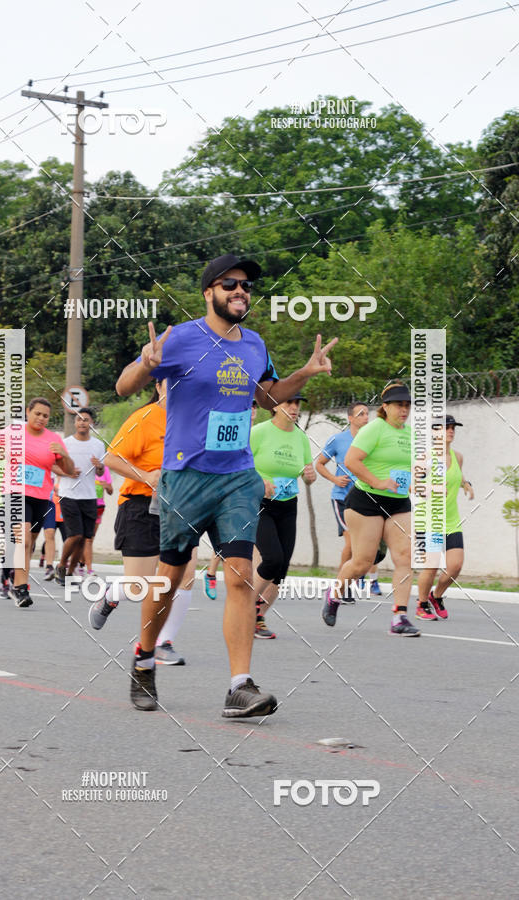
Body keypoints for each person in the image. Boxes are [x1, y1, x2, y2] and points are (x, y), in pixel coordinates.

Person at [107, 252, 337, 716]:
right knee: (169, 579)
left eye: (247, 286)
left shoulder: (254, 344)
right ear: (209, 291)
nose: (240, 292)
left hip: (236, 476)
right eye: (230, 284)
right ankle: (144, 656)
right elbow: (122, 387)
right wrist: (146, 365)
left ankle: (240, 685)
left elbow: (267, 395)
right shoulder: (180, 339)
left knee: (240, 575)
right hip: (185, 477)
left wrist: (304, 374)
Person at [89, 381, 195, 666]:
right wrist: (146, 476)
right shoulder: (145, 418)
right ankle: (112, 594)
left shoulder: (192, 419)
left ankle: (162, 643)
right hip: (140, 506)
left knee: (185, 576)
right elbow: (110, 458)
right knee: (140, 587)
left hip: (180, 508)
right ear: (160, 386)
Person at [322, 382, 420, 636]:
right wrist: (377, 482)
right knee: (363, 562)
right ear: (385, 407)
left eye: (407, 405)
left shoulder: (410, 433)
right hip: (366, 500)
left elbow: (410, 466)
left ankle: (399, 616)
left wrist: (416, 480)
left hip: (398, 501)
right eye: (399, 404)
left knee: (405, 556)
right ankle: (334, 594)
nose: (404, 410)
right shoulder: (374, 429)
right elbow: (350, 461)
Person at [0, 397, 75, 607]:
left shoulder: (54, 438)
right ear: (28, 412)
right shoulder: (13, 433)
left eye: (45, 415)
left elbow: (68, 470)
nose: (41, 418)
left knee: (29, 544)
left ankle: (13, 577)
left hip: (41, 497)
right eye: (37, 413)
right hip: (15, 492)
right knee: (24, 540)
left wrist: (64, 454)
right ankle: (21, 589)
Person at [250, 393, 315, 639]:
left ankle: (258, 618)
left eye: (298, 403)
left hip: (288, 504)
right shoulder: (259, 432)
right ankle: (246, 607)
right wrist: (260, 481)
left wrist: (310, 477)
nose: (295, 407)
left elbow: (308, 475)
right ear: (275, 405)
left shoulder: (301, 438)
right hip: (259, 502)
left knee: (281, 569)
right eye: (289, 402)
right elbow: (240, 465)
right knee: (272, 558)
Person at [316, 402, 383, 598]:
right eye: (360, 414)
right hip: (342, 498)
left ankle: (367, 578)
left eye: (367, 413)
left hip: (365, 498)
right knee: (352, 542)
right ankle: (340, 587)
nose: (365, 417)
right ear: (350, 418)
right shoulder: (338, 440)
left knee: (370, 541)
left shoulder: (373, 440)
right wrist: (334, 479)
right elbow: (319, 464)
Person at [416, 415, 474, 620]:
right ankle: (421, 604)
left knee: (455, 566)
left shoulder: (458, 457)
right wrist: (431, 488)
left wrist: (467, 485)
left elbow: (458, 477)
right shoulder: (425, 458)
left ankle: (436, 596)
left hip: (451, 520)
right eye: (446, 428)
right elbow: (413, 486)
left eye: (452, 428)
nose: (451, 431)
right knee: (431, 567)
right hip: (430, 520)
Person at [204, 400, 257, 601]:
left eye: (255, 406)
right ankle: (211, 573)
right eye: (249, 406)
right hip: (230, 491)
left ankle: (240, 583)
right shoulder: (235, 428)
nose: (252, 410)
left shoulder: (258, 431)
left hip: (252, 491)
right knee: (230, 539)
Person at [54, 408, 106, 585]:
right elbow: (54, 467)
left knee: (85, 537)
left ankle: (69, 573)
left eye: (85, 419)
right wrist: (68, 473)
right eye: (79, 419)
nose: (82, 422)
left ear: (91, 423)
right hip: (68, 493)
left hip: (89, 496)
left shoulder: (98, 445)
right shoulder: (65, 443)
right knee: (75, 534)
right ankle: (61, 565)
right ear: (75, 423)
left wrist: (99, 466)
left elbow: (100, 473)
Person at [83, 464, 113, 575]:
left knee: (89, 539)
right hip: (84, 505)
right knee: (84, 538)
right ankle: (86, 567)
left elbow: (111, 491)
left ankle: (84, 565)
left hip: (99, 507)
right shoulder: (85, 467)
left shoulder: (105, 469)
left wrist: (106, 485)